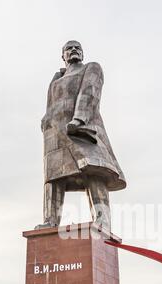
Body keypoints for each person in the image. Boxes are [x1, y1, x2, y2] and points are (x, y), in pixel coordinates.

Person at [41, 40, 126, 231]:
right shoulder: (56, 78)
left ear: (82, 53)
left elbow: (90, 92)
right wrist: (46, 120)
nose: (73, 50)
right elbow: (51, 105)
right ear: (62, 56)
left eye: (77, 48)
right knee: (54, 178)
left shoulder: (91, 68)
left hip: (81, 128)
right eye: (69, 48)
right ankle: (50, 221)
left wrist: (79, 119)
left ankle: (102, 221)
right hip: (54, 133)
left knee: (94, 172)